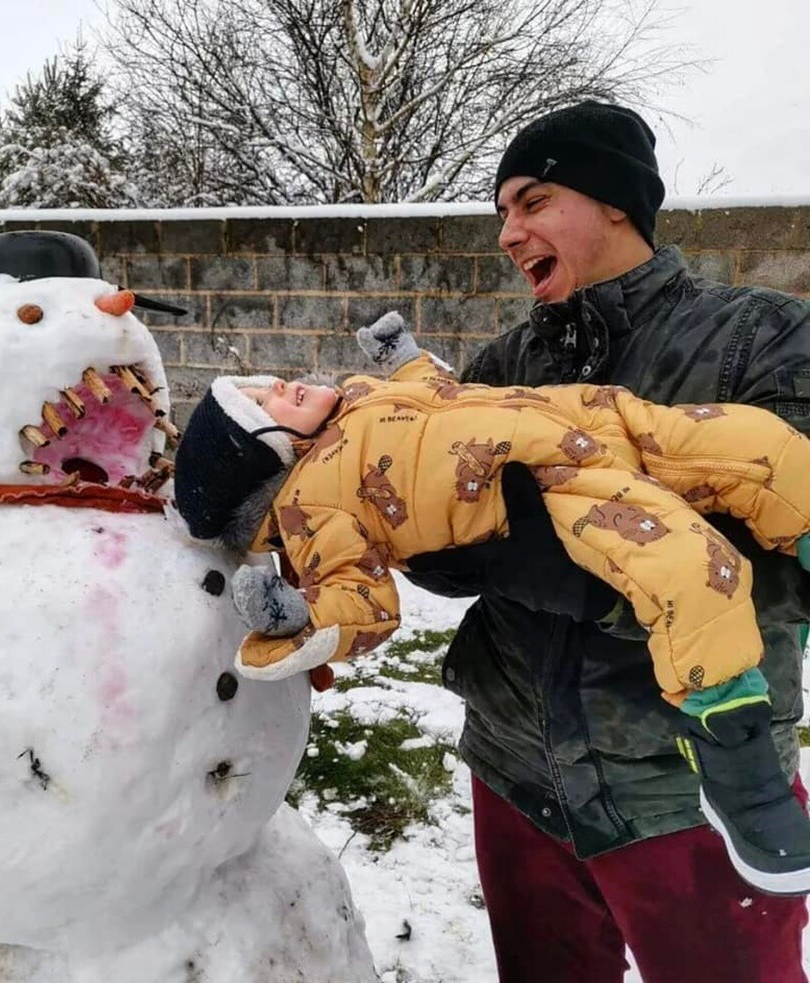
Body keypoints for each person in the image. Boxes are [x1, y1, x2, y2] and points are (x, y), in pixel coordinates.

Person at [173, 305, 810, 890]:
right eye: (262, 405)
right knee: (694, 569)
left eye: (264, 385)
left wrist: (405, 357)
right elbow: (356, 595)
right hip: (562, 484)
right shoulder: (312, 505)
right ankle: (739, 762)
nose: (280, 386)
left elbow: (431, 390)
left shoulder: (362, 396)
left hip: (602, 419)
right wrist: (297, 614)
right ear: (262, 458)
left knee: (765, 446)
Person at [396, 101, 810, 981]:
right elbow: (449, 517)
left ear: (615, 200)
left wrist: (558, 562)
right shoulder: (504, 366)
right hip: (514, 770)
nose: (508, 232)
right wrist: (429, 539)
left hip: (684, 793)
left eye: (533, 201)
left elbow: (784, 547)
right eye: (502, 212)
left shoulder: (761, 338)